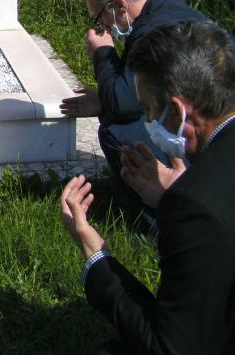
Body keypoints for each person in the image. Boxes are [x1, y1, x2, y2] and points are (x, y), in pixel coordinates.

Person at [60, 19, 235, 354]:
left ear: (178, 111)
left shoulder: (194, 204)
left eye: (149, 110)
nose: (149, 122)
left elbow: (167, 346)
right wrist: (172, 200)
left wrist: (95, 253)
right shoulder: (195, 198)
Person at [59, 0, 205, 209]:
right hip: (211, 123)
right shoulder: (169, 9)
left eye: (100, 18)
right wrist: (103, 100)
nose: (103, 27)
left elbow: (123, 105)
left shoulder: (149, 34)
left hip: (198, 136)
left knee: (116, 130)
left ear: (119, 5)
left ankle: (159, 212)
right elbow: (136, 93)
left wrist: (103, 53)